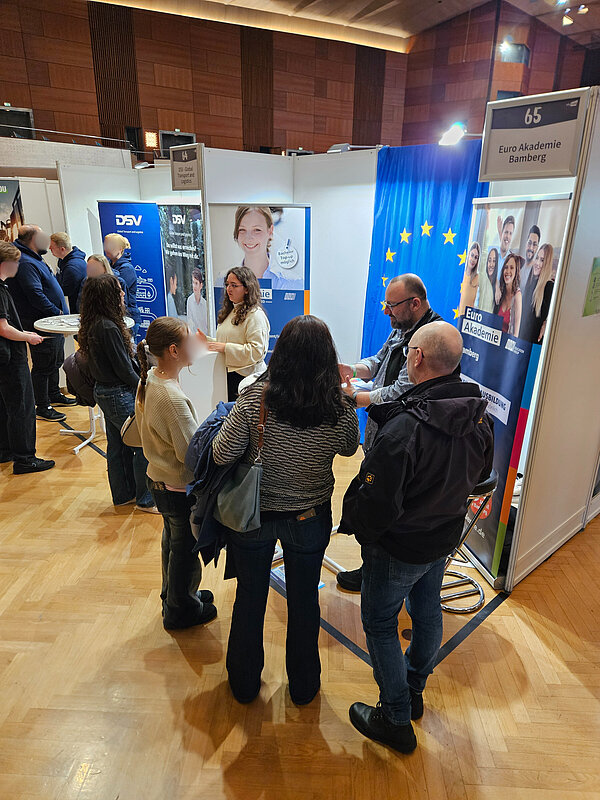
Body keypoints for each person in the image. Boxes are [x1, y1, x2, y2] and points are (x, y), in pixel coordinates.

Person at [341, 321, 494, 754]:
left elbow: (376, 505)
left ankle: (394, 717)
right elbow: (480, 475)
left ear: (417, 358)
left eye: (408, 349)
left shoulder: (406, 429)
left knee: (379, 623)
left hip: (400, 547)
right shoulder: (477, 413)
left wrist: (366, 539)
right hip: (442, 538)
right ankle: (413, 691)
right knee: (426, 613)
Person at [212, 315, 360, 705]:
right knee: (305, 600)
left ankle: (243, 684)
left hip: (253, 515)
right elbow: (349, 447)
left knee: (250, 598)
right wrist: (345, 396)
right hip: (310, 517)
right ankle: (304, 686)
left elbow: (221, 452)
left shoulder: (254, 398)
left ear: (281, 353)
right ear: (327, 357)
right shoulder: (337, 405)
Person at [336, 274, 442, 592]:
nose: (386, 312)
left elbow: (400, 390)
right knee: (375, 500)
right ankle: (372, 567)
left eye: (391, 306)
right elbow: (380, 360)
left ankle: (381, 575)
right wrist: (352, 370)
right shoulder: (403, 328)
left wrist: (357, 398)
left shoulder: (429, 340)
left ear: (415, 303)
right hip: (382, 431)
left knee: (388, 503)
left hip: (402, 441)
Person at [136, 317, 217, 630]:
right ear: (173, 350)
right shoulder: (170, 395)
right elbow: (190, 453)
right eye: (188, 341)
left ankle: (176, 596)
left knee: (173, 542)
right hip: (175, 486)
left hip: (159, 479)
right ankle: (181, 609)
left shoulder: (151, 379)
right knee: (183, 548)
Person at [78, 274, 155, 512]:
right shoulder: (108, 327)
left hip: (106, 391)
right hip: (118, 393)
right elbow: (123, 367)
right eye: (118, 291)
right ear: (108, 296)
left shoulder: (94, 323)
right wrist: (145, 387)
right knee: (142, 444)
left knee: (118, 446)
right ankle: (145, 499)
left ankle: (123, 495)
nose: (123, 294)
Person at [8, 224, 75, 422]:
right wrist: (57, 314)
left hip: (53, 322)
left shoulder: (33, 258)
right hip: (43, 323)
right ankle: (42, 405)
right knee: (44, 365)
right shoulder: (26, 262)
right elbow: (35, 294)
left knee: (54, 361)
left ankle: (54, 395)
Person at [0, 241, 55, 474]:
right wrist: (27, 337)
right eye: (16, 263)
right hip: (11, 358)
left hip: (6, 358)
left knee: (7, 406)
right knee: (22, 407)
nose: (18, 267)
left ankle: (6, 451)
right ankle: (25, 458)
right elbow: (3, 327)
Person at [208, 266, 270, 401]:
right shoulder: (231, 311)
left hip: (246, 380)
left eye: (234, 285)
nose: (228, 289)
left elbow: (256, 350)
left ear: (247, 288)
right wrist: (207, 341)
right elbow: (228, 340)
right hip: (227, 375)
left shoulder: (255, 315)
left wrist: (224, 348)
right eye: (227, 285)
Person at [227, 205, 303, 290]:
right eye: (242, 230)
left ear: (270, 231)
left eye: (257, 230)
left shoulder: (292, 283)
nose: (249, 237)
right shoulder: (223, 280)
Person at [104, 233, 141, 339]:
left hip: (128, 317)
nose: (106, 249)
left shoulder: (126, 269)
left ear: (120, 249)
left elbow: (117, 291)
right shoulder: (111, 266)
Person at [519, 243, 554, 344]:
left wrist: (546, 323)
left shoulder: (548, 287)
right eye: (537, 258)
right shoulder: (530, 283)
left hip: (533, 345)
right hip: (521, 341)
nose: (537, 263)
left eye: (542, 260)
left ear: (547, 264)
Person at [49, 232, 87, 313]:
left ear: (62, 249)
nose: (49, 248)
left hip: (77, 309)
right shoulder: (63, 261)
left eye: (52, 247)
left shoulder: (72, 267)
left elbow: (65, 291)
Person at [494, 252, 523, 336]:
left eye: (512, 268)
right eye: (506, 267)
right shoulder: (500, 292)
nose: (508, 271)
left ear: (516, 271)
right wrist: (496, 286)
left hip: (506, 345)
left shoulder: (517, 296)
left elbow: (515, 334)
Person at [458, 241, 481, 315]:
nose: (473, 259)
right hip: (455, 315)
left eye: (476, 257)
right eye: (472, 255)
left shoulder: (478, 278)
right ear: (468, 255)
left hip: (466, 319)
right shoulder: (460, 275)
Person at [476, 247, 498, 314]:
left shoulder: (498, 286)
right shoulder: (482, 277)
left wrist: (497, 284)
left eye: (494, 261)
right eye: (489, 260)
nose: (491, 265)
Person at [186, 267, 208, 334]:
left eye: (196, 283)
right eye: (193, 283)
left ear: (201, 285)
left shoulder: (205, 304)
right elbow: (189, 322)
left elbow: (206, 325)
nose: (194, 286)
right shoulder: (189, 300)